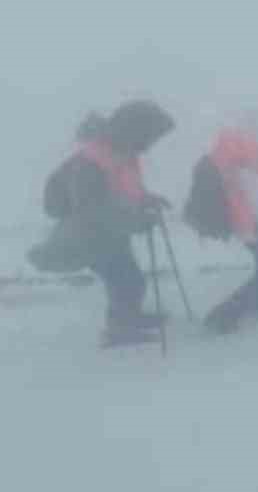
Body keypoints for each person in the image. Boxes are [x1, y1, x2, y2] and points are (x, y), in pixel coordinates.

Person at [32, 101, 175, 348]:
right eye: (150, 136)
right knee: (126, 279)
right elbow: (93, 208)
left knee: (126, 278)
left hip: (112, 232)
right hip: (91, 234)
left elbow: (125, 190)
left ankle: (127, 319)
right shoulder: (92, 161)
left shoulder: (123, 152)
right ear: (135, 130)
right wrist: (137, 221)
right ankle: (119, 330)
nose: (151, 145)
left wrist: (147, 200)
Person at [183, 111, 258, 334]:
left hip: (249, 219)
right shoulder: (250, 152)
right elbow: (253, 191)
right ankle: (223, 315)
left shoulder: (241, 148)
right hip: (252, 221)